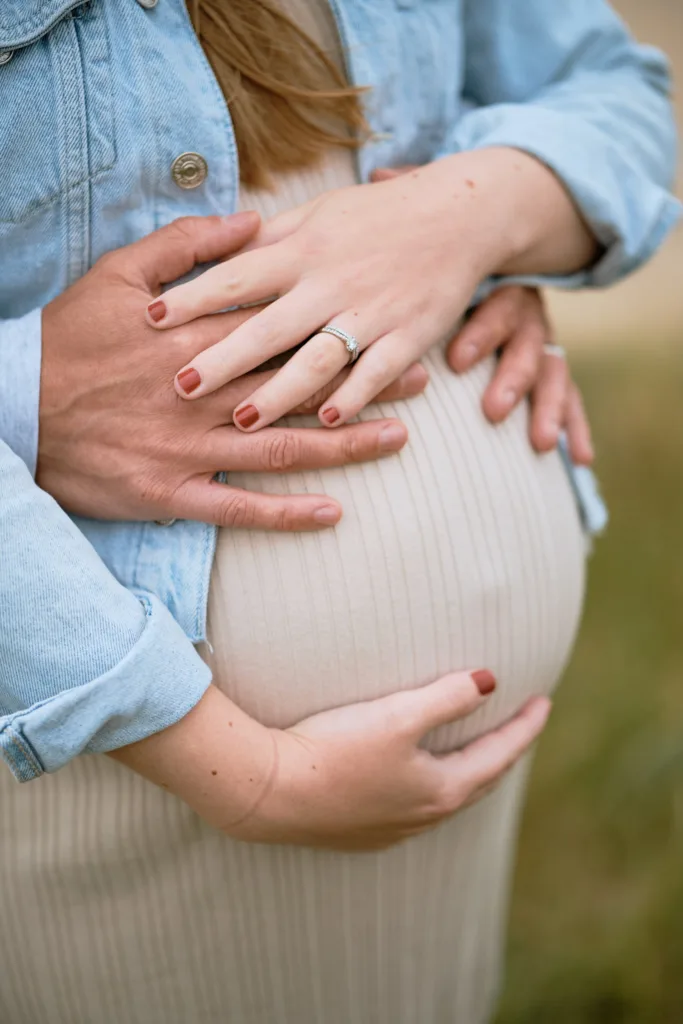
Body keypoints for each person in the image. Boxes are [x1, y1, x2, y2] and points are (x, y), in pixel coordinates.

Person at [0, 1, 677, 1022]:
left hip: (427, 821)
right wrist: (243, 772)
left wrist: (468, 212)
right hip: (104, 771)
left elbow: (614, 89)